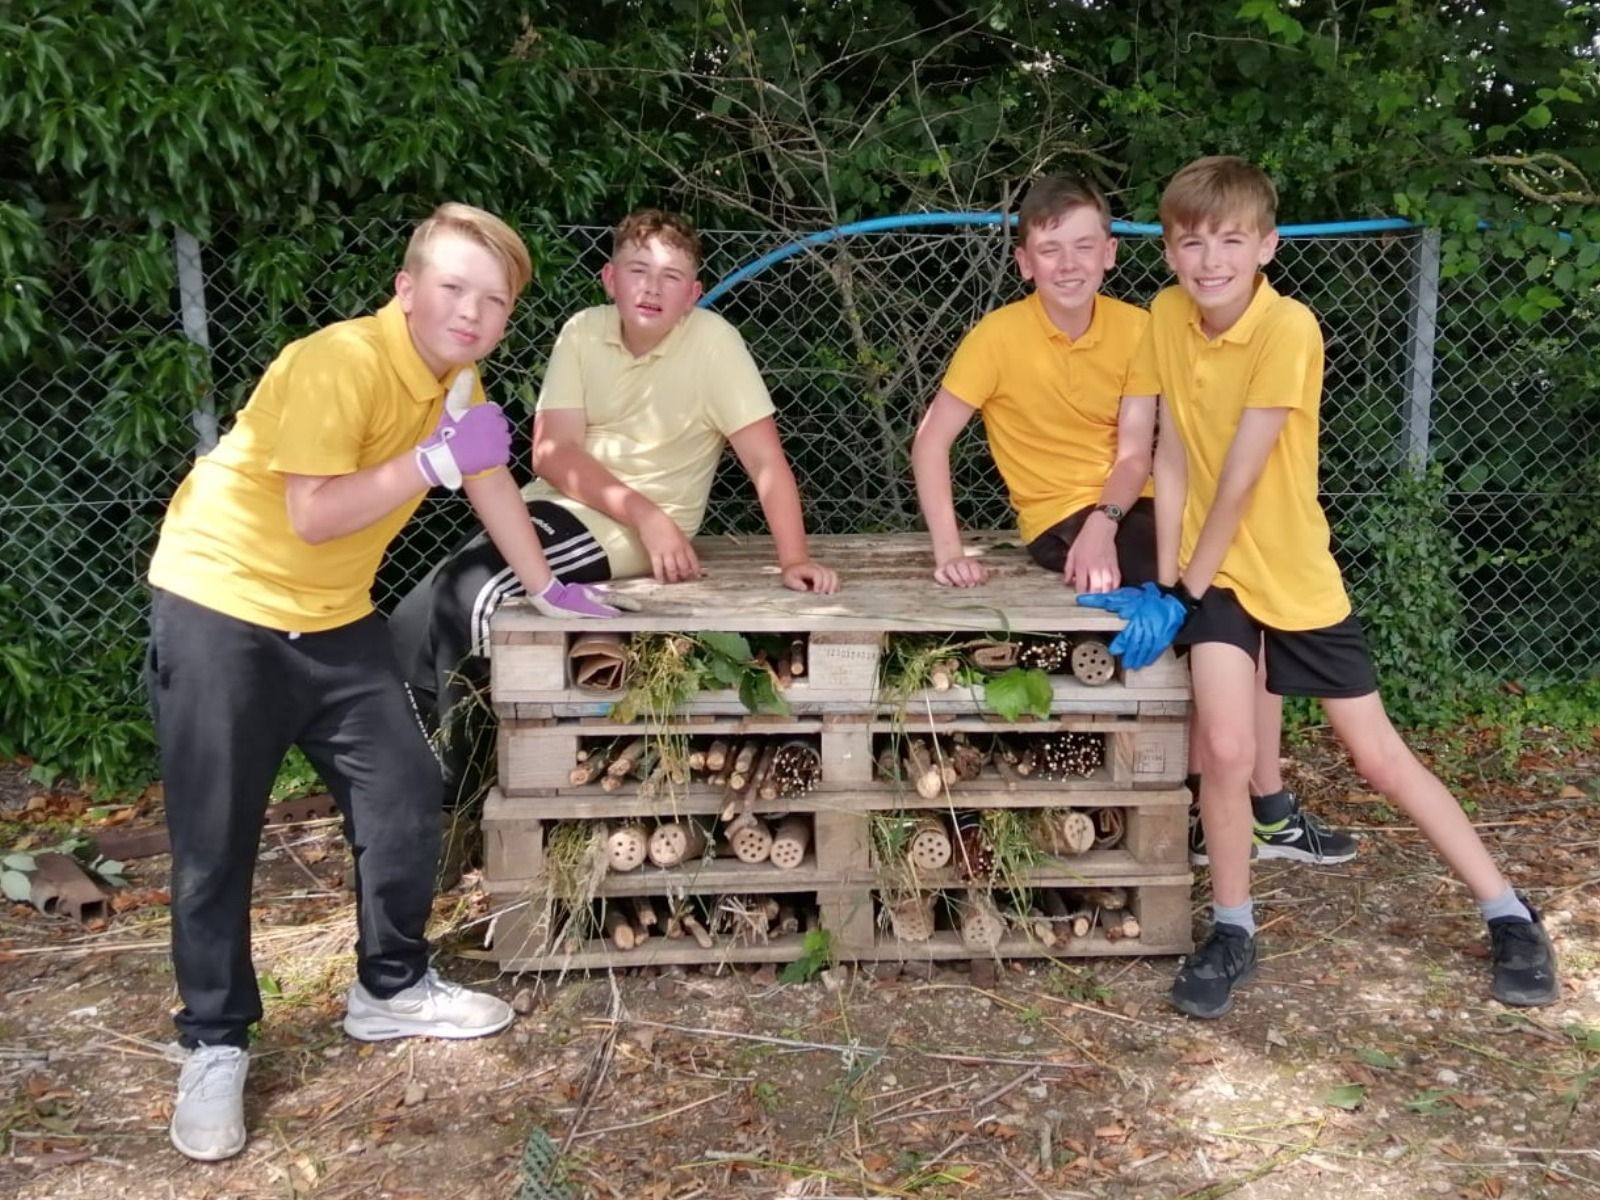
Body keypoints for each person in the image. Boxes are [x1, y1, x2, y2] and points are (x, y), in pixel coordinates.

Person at [144, 203, 602, 1162]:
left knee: (402, 793)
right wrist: (431, 458)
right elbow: (314, 514)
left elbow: (488, 480)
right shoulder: (337, 363)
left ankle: (389, 989)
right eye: (452, 289)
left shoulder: (457, 376)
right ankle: (216, 1041)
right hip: (221, 604)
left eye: (493, 300)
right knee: (215, 836)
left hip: (333, 617)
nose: (471, 313)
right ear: (405, 288)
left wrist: (549, 583)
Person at [1082, 156, 1559, 1017]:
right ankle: (1233, 929)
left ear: (1265, 246)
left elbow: (1240, 476)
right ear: (1169, 250)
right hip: (1211, 573)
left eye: (1231, 240)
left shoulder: (1290, 328)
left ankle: (1508, 912)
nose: (1210, 259)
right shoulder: (1162, 314)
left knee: (1377, 759)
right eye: (1192, 242)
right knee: (1224, 754)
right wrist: (1170, 581)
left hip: (1292, 574)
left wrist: (1179, 595)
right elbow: (1176, 453)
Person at [911, 175, 1354, 866]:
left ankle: (1249, 804)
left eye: (1085, 246)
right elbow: (932, 438)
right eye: (1050, 249)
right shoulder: (995, 338)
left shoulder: (1140, 325)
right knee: (1228, 608)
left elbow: (1135, 451)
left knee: (1241, 600)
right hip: (1061, 519)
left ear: (1111, 254)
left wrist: (1108, 519)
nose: (1069, 264)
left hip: (1136, 508)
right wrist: (949, 547)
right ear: (1024, 262)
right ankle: (1253, 810)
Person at [391, 207, 837, 804]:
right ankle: (409, 782)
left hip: (625, 537)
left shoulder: (714, 344)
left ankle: (455, 798)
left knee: (473, 598)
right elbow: (551, 453)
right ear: (609, 278)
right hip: (561, 508)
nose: (652, 288)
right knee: (408, 620)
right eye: (638, 270)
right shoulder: (582, 331)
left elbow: (766, 462)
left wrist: (793, 559)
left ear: (694, 295)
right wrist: (640, 510)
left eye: (672, 276)